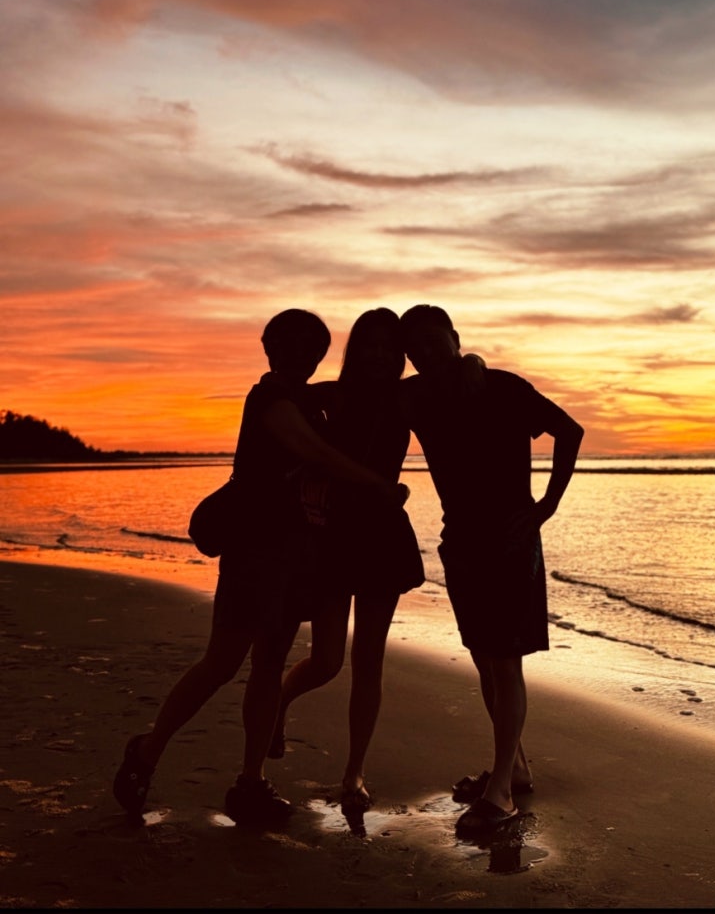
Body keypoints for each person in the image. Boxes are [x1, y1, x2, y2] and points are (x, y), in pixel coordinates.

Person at [113, 308, 406, 826]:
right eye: (288, 345)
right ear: (269, 348)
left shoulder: (310, 401)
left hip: (298, 556)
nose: (299, 355)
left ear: (320, 355)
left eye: (310, 348)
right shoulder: (269, 398)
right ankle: (147, 749)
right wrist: (379, 486)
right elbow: (316, 453)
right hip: (254, 553)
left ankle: (252, 781)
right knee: (222, 663)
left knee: (269, 664)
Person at [398, 304, 584, 834]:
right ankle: (514, 768)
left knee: (504, 663)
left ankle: (500, 791)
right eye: (415, 349)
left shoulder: (502, 387)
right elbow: (353, 395)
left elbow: (569, 431)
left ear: (455, 338)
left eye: (434, 342)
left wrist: (547, 506)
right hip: (460, 541)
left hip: (509, 541)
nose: (426, 354)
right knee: (483, 658)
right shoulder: (415, 396)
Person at [267, 308, 425, 814]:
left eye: (387, 347)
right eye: (369, 345)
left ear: (399, 355)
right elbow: (280, 399)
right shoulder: (331, 396)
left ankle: (354, 772)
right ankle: (279, 704)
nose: (378, 354)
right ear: (355, 350)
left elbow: (454, 386)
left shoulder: (407, 397)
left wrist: (474, 362)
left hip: (383, 537)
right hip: (332, 536)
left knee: (369, 663)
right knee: (328, 661)